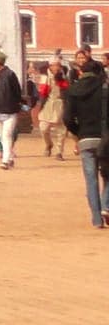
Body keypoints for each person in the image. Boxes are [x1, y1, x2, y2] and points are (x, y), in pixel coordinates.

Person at [61, 52, 108, 228]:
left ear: (81, 72)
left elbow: (66, 118)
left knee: (91, 179)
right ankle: (106, 206)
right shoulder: (104, 89)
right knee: (108, 176)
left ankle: (96, 219)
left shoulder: (72, 91)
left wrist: (78, 132)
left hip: (85, 138)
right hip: (105, 138)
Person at [34, 64, 69, 160]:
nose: (56, 68)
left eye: (58, 65)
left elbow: (66, 90)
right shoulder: (45, 78)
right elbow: (42, 93)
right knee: (43, 127)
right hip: (48, 104)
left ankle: (59, 152)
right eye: (53, 65)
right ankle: (48, 144)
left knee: (61, 130)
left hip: (60, 104)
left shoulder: (64, 76)